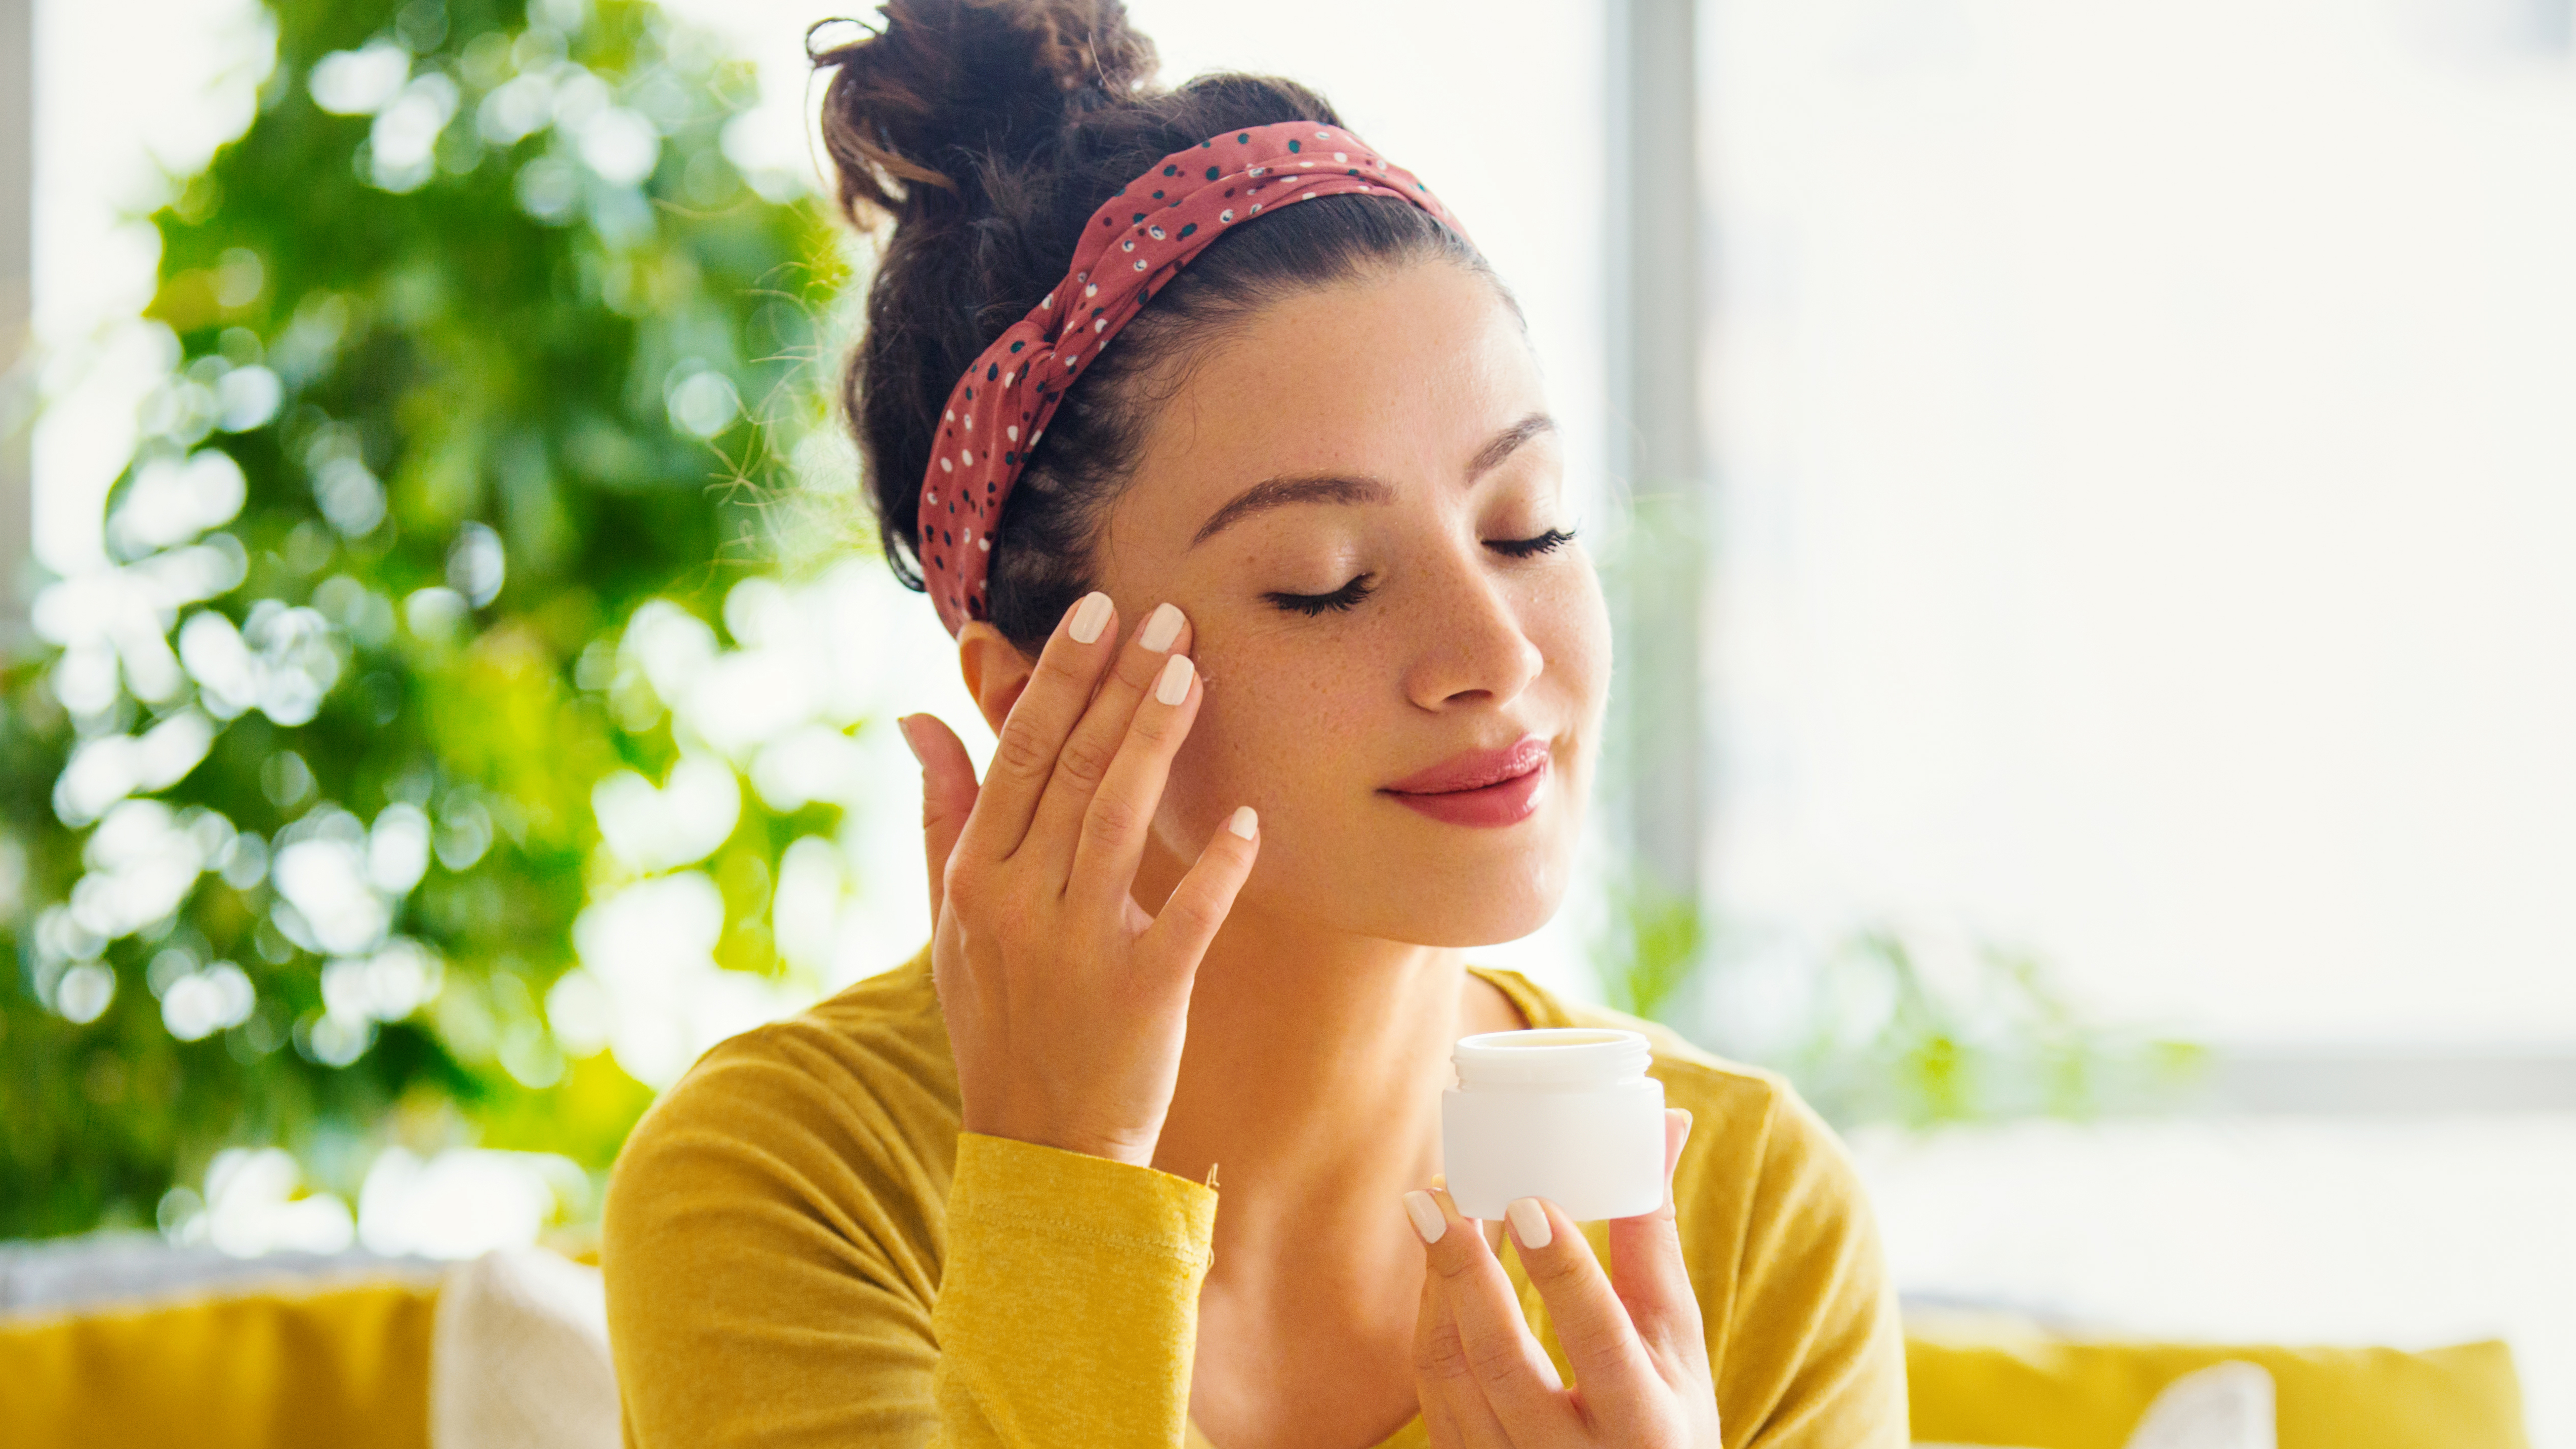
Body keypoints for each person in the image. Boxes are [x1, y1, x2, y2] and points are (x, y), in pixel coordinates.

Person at [599, 2, 1907, 1445]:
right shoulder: (798, 1185)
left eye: (1528, 530)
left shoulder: (1743, 1215)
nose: (1492, 654)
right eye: (1325, 586)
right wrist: (1063, 1184)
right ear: (1034, 693)